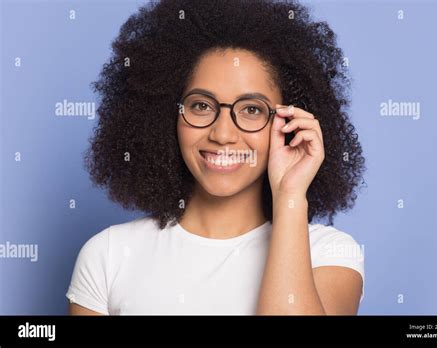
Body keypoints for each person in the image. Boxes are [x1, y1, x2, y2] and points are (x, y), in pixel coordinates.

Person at [67, 0, 366, 315]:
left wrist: (290, 195)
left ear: (288, 122)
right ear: (165, 113)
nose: (222, 134)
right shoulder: (109, 255)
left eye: (252, 110)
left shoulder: (328, 252)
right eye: (201, 106)